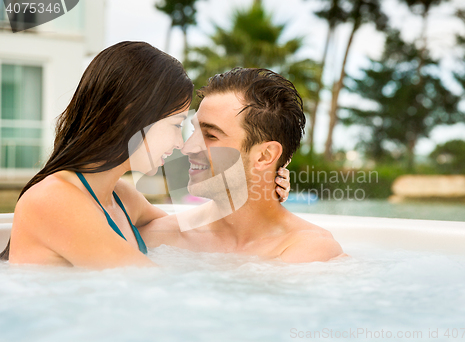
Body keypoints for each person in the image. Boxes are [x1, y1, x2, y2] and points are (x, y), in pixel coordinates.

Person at [0, 42, 291, 269]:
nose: (180, 143)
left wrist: (257, 186)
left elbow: (190, 232)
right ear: (131, 117)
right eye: (176, 126)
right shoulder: (55, 201)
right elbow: (154, 289)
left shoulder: (120, 197)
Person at [140, 68, 346, 263]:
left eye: (210, 135)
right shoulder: (162, 237)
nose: (187, 148)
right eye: (193, 131)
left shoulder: (310, 252)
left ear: (265, 156)